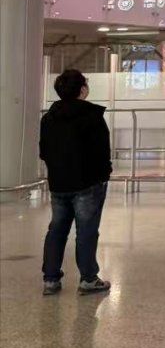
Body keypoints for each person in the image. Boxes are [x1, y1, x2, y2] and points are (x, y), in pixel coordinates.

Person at [39, 68, 112, 296]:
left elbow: (43, 151)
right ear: (82, 89)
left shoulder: (48, 118)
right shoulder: (92, 117)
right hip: (87, 183)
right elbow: (102, 152)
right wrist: (104, 175)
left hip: (59, 183)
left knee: (57, 229)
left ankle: (51, 279)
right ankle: (88, 278)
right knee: (86, 231)